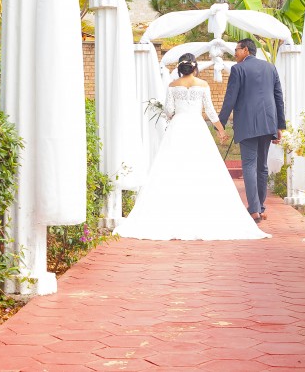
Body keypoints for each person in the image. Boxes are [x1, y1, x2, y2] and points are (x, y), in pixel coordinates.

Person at [114, 53, 269, 240]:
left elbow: (168, 111)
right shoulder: (203, 85)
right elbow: (210, 111)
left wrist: (172, 115)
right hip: (197, 127)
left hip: (178, 127)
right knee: (201, 167)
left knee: (172, 168)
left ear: (180, 68)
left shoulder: (172, 86)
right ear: (195, 67)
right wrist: (220, 130)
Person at [219, 37, 286, 223]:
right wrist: (280, 125)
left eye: (237, 50)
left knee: (249, 164)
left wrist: (220, 123)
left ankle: (255, 209)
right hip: (267, 123)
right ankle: (260, 207)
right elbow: (278, 97)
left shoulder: (238, 69)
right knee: (261, 166)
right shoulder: (270, 68)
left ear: (246, 50)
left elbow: (230, 99)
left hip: (247, 123)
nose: (235, 54)